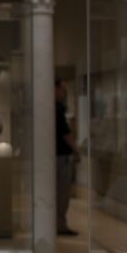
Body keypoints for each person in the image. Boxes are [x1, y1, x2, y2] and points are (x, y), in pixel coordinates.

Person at [55, 78, 81, 237]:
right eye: (62, 89)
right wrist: (76, 149)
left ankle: (58, 222)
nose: (64, 93)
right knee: (62, 192)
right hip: (60, 157)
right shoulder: (56, 109)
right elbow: (65, 133)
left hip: (58, 156)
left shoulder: (56, 108)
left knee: (60, 192)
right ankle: (59, 224)